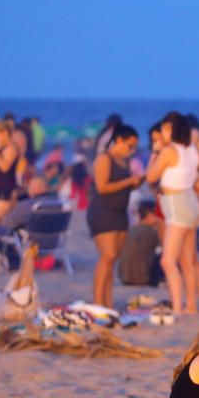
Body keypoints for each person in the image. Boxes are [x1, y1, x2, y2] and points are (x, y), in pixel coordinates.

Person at [146, 112, 199, 314]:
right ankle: (191, 305)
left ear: (171, 129)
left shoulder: (169, 151)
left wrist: (155, 151)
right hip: (189, 202)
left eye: (164, 128)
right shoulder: (190, 149)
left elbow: (150, 175)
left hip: (178, 205)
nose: (162, 132)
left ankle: (178, 307)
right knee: (186, 261)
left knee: (167, 260)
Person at [87, 124, 142, 308]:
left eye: (134, 147)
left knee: (112, 260)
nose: (132, 151)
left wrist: (137, 182)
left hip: (120, 212)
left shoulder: (124, 161)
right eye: (130, 146)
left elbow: (122, 185)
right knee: (107, 256)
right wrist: (128, 181)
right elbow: (102, 187)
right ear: (119, 140)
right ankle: (97, 301)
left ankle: (107, 303)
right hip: (103, 212)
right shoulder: (104, 158)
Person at [0, 243, 41, 321]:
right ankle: (28, 255)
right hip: (8, 307)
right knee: (24, 284)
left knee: (23, 284)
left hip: (8, 306)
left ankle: (28, 255)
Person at [118, 200, 163, 287]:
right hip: (142, 279)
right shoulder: (153, 232)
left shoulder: (129, 230)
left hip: (124, 277)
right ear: (150, 215)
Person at [0, 121, 20, 225]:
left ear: (5, 133)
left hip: (6, 190)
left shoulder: (11, 148)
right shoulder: (1, 148)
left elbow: (4, 167)